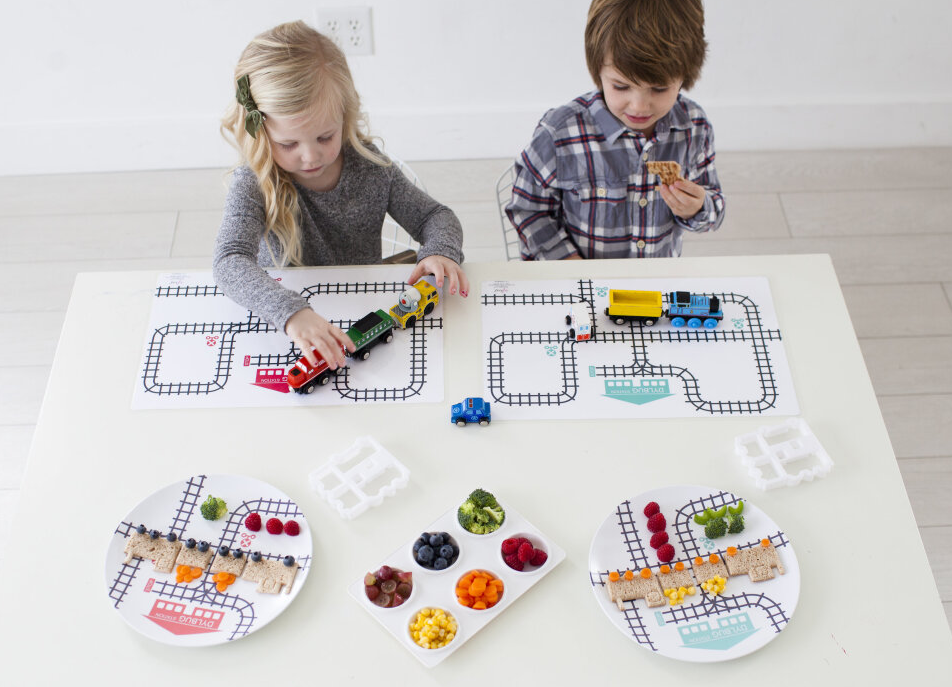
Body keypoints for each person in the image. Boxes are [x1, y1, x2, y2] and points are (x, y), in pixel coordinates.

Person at [214, 21, 468, 370]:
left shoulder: (371, 168)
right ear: (258, 131)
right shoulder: (255, 180)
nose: (310, 156)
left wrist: (440, 251)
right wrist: (290, 313)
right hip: (283, 324)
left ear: (345, 115)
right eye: (288, 143)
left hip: (362, 309)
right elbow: (229, 260)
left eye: (325, 137)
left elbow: (435, 217)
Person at [506, 0, 724, 260]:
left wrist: (696, 208)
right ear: (598, 71)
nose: (639, 106)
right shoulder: (560, 134)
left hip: (656, 279)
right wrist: (567, 263)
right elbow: (527, 209)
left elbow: (714, 208)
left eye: (659, 89)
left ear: (684, 77)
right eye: (621, 86)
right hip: (582, 280)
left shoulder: (694, 127)